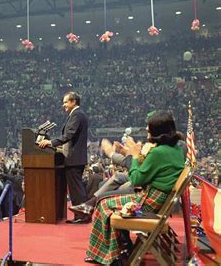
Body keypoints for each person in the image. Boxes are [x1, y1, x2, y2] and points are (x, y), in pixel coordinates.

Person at [84, 111, 186, 265]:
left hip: (148, 202)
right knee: (107, 199)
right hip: (158, 200)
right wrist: (130, 153)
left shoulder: (159, 152)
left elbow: (137, 179)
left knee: (103, 204)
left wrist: (135, 156)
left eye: (149, 127)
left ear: (157, 131)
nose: (146, 129)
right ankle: (123, 248)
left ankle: (110, 255)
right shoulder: (176, 149)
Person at [38, 91, 89, 224]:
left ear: (73, 102)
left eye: (66, 102)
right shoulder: (77, 114)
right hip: (75, 158)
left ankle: (82, 216)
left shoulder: (77, 114)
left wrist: (51, 142)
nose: (63, 104)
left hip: (74, 158)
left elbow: (69, 135)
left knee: (76, 189)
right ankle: (81, 215)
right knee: (76, 189)